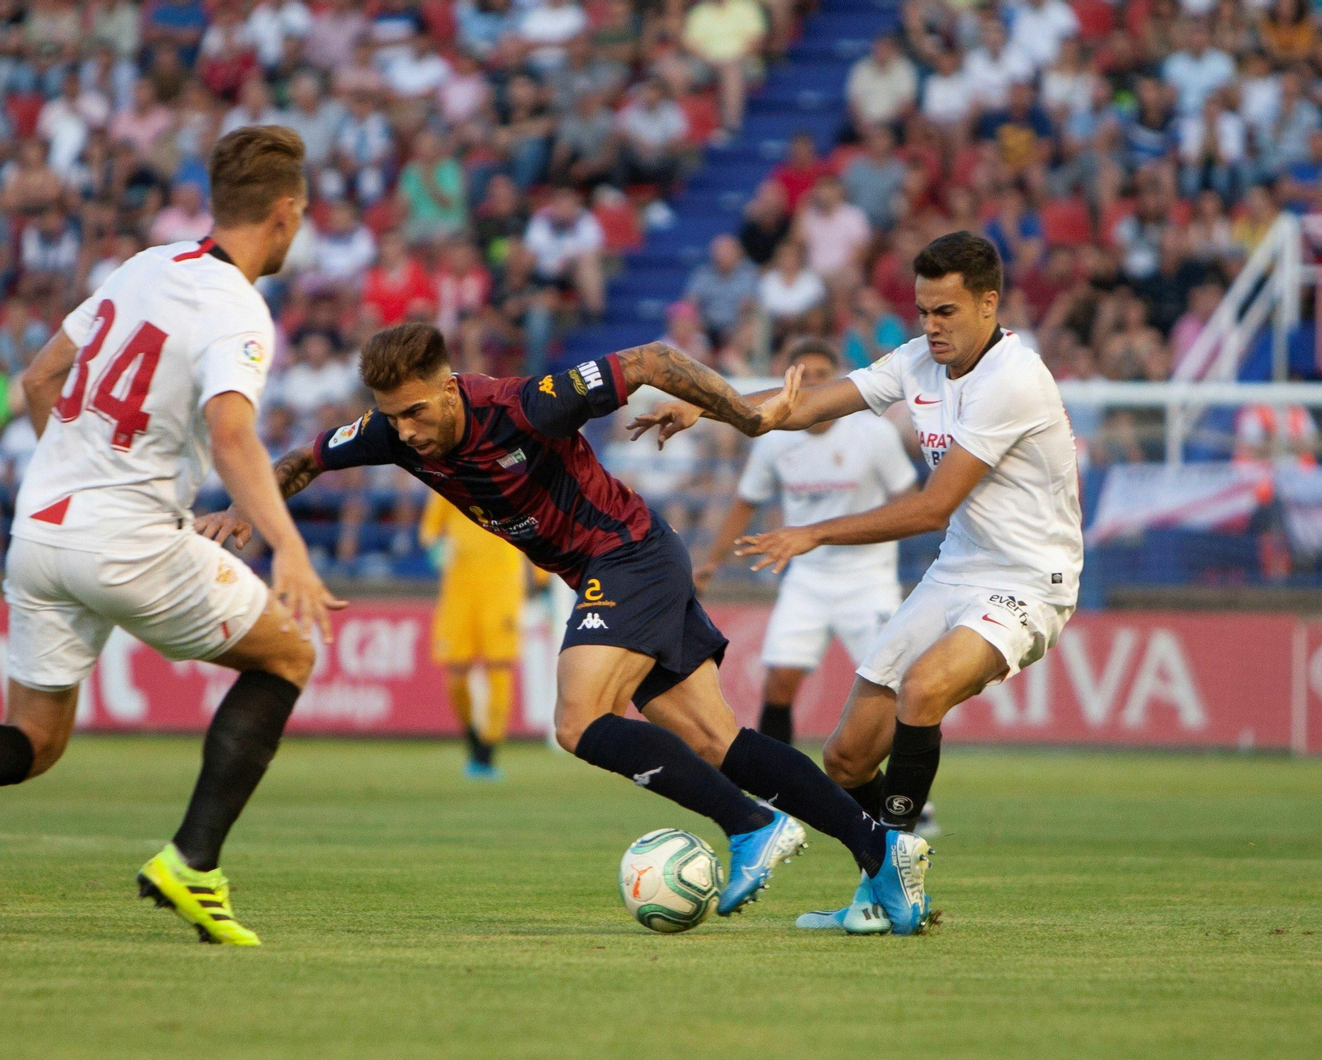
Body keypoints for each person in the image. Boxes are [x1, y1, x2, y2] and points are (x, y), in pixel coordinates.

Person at [203, 321, 933, 932]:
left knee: (578, 721)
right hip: (628, 563)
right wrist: (247, 512)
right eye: (393, 416)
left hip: (627, 557)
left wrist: (746, 416)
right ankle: (882, 858)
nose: (407, 431)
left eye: (418, 412)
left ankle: (752, 827)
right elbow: (305, 459)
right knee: (718, 740)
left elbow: (651, 360)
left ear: (450, 385)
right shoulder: (393, 434)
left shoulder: (525, 405)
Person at [0, 127, 343, 948]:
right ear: (284, 212)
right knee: (288, 654)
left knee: (35, 739)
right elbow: (232, 434)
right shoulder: (238, 309)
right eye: (299, 218)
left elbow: (38, 377)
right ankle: (192, 863)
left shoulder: (143, 268)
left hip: (41, 532)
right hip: (125, 540)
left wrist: (80, 475)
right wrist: (290, 548)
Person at [632, 232, 1079, 933]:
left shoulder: (1014, 378)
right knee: (843, 759)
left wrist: (812, 531)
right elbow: (805, 405)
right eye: (924, 310)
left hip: (1030, 579)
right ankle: (883, 884)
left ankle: (889, 886)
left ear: (989, 305)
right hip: (957, 568)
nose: (931, 326)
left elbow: (933, 506)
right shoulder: (919, 361)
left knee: (924, 688)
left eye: (947, 312)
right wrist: (705, 406)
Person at [694, 341, 916, 755]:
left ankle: (907, 800)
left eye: (821, 376)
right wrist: (710, 562)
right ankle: (776, 793)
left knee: (891, 688)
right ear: (788, 383)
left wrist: (861, 530)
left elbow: (911, 499)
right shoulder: (775, 440)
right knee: (779, 680)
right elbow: (746, 502)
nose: (812, 385)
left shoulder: (874, 433)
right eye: (803, 376)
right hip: (806, 579)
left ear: (838, 381)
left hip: (869, 579)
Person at [419, 491, 531, 779]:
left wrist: (540, 579)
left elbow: (536, 527)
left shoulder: (511, 482)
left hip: (502, 586)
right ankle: (472, 738)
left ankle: (487, 752)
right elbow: (429, 531)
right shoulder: (446, 478)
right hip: (459, 589)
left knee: (499, 668)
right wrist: (437, 548)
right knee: (456, 673)